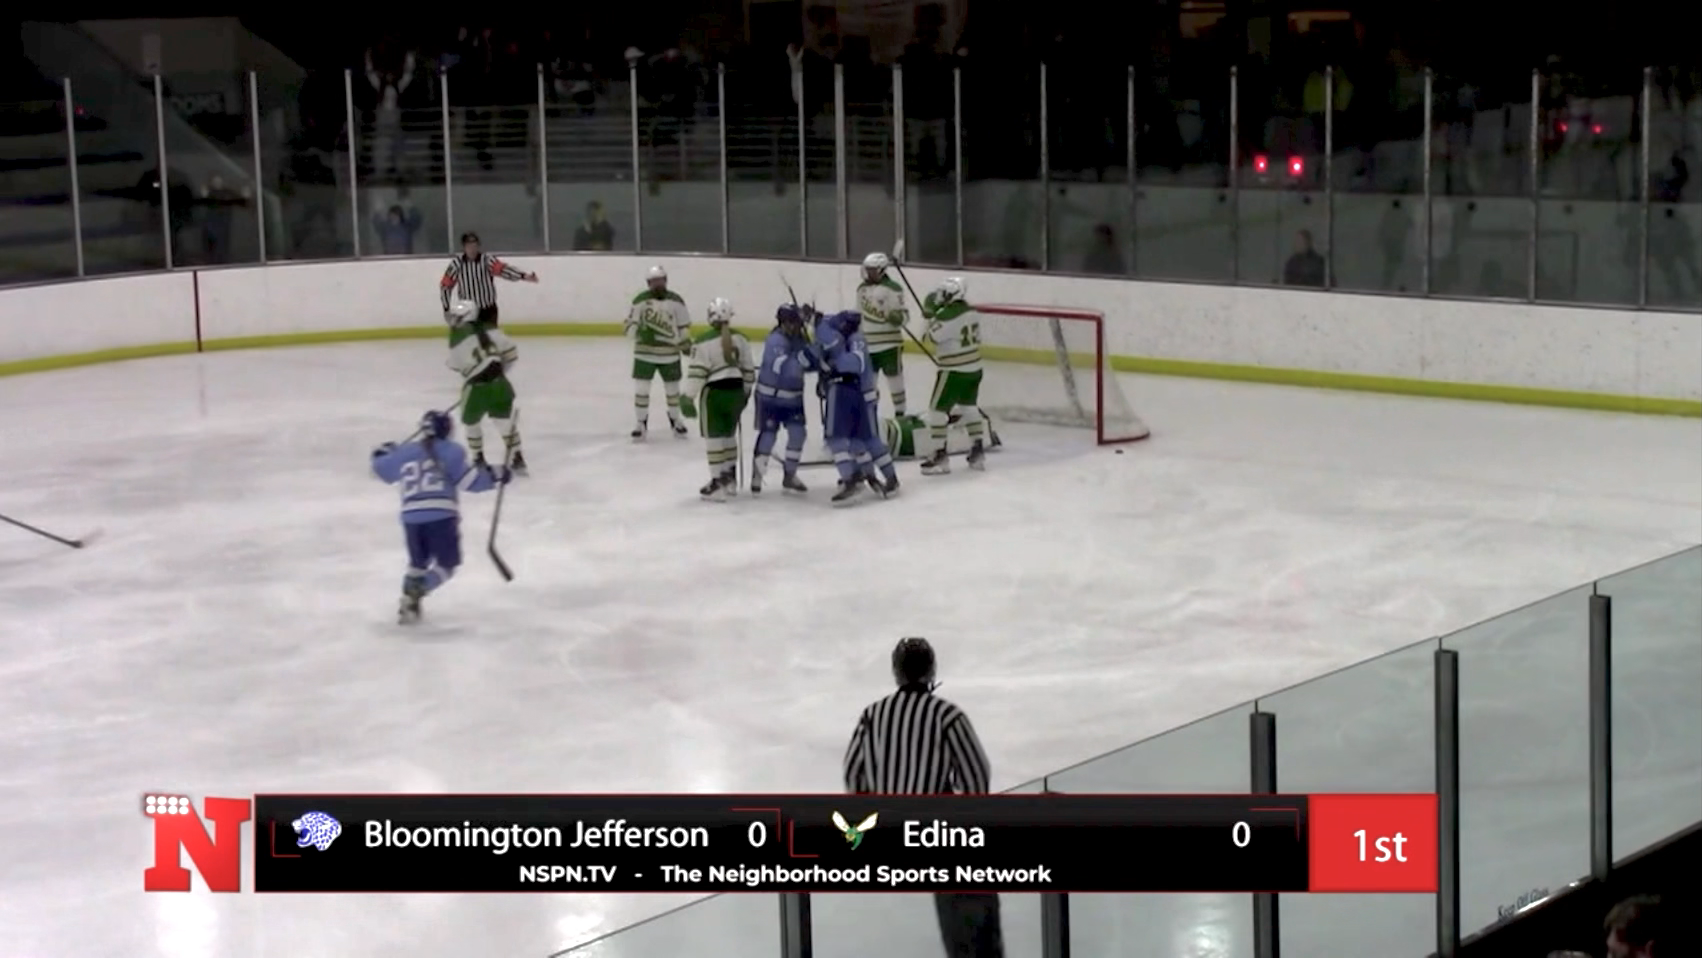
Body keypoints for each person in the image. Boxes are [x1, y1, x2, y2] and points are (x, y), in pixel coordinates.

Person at [843, 637, 1002, 958]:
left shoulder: (872, 715)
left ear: (895, 672)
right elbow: (976, 777)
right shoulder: (946, 715)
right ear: (932, 670)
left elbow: (853, 775)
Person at [370, 410, 511, 624]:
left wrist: (382, 452)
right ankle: (417, 592)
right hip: (440, 517)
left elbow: (382, 470)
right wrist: (497, 474)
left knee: (417, 564)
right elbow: (469, 481)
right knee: (446, 565)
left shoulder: (405, 452)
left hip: (411, 519)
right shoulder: (452, 451)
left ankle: (410, 603)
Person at [680, 298, 754, 500]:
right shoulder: (742, 339)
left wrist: (687, 397)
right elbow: (748, 370)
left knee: (714, 438)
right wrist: (745, 394)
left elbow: (697, 372)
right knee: (729, 435)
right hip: (736, 391)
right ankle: (730, 481)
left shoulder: (703, 341)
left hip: (715, 393)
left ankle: (717, 483)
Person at [445, 300, 527, 475]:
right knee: (504, 421)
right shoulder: (492, 329)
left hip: (476, 389)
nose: (453, 320)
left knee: (470, 422)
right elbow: (511, 353)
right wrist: (499, 371)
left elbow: (455, 366)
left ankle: (478, 458)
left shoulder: (456, 338)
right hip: (500, 385)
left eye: (456, 317)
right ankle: (518, 457)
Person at [916, 277, 988, 475]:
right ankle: (977, 451)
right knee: (969, 407)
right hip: (975, 368)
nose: (941, 296)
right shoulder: (972, 312)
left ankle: (939, 456)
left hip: (954, 371)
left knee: (937, 412)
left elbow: (926, 338)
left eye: (944, 294)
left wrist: (927, 315)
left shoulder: (947, 316)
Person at [815, 309, 887, 503]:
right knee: (858, 439)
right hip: (858, 393)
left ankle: (851, 479)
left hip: (850, 393)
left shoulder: (850, 342)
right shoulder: (852, 338)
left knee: (837, 438)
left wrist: (817, 324)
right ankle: (869, 475)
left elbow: (841, 356)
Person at [750, 303, 819, 495]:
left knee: (798, 434)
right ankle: (757, 476)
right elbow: (788, 369)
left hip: (793, 398)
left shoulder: (799, 339)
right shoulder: (775, 341)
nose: (795, 326)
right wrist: (808, 355)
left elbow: (810, 365)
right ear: (782, 322)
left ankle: (790, 475)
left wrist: (815, 356)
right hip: (770, 398)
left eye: (797, 322)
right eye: (791, 322)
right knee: (768, 435)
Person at [625, 265, 693, 440]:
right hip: (644, 353)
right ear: (648, 283)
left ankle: (676, 420)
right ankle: (640, 423)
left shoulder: (676, 301)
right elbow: (629, 323)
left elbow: (683, 326)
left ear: (666, 281)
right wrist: (636, 331)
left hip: (670, 354)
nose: (658, 284)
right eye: (654, 281)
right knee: (641, 390)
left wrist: (685, 342)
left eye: (660, 280)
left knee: (673, 391)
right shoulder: (640, 300)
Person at [438, 231, 539, 327]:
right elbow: (445, 286)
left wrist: (523, 276)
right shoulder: (457, 264)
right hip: (467, 312)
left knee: (488, 342)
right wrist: (446, 309)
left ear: (478, 246)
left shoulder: (486, 260)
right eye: (469, 246)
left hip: (488, 311)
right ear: (464, 247)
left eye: (475, 245)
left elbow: (503, 270)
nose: (472, 248)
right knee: (473, 342)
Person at [856, 252, 910, 416]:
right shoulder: (861, 289)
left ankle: (900, 413)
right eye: (867, 269)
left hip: (890, 345)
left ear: (881, 270)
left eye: (872, 269)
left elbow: (904, 317)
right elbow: (859, 315)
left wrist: (898, 317)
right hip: (868, 345)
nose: (867, 272)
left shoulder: (893, 289)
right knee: (869, 383)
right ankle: (870, 414)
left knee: (895, 381)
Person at [882, 410, 999, 461]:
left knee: (936, 419)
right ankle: (982, 434)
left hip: (903, 434)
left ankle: (982, 434)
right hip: (906, 436)